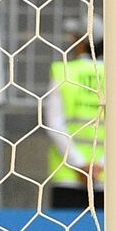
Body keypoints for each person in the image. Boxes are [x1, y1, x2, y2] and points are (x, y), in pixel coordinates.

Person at [44, 17, 105, 210]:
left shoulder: (64, 72)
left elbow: (54, 123)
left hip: (68, 175)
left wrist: (79, 164)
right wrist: (100, 165)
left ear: (81, 42)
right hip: (106, 176)